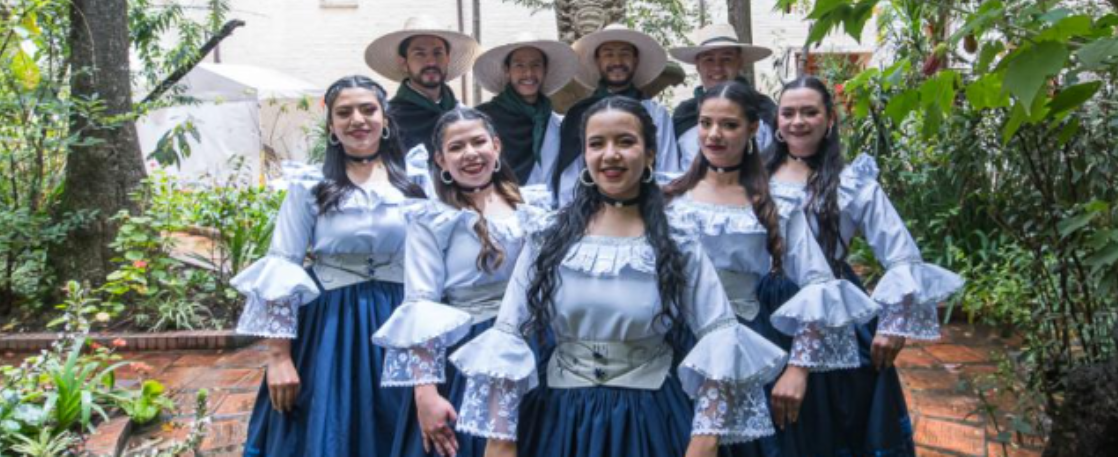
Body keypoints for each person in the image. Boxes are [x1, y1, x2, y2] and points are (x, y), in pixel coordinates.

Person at [448, 96, 786, 457]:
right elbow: (509, 333)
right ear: (585, 155)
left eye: (625, 142)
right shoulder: (548, 236)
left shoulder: (677, 238)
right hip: (560, 420)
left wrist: (703, 441)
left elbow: (719, 333)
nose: (610, 155)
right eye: (597, 144)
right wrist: (501, 442)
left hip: (650, 419)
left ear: (651, 154)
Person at [663, 81, 881, 456]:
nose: (714, 134)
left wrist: (798, 368)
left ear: (753, 130)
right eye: (705, 122)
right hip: (671, 344)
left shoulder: (773, 203)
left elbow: (818, 282)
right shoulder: (666, 197)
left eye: (729, 125)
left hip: (742, 338)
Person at [765, 76, 964, 456]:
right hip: (767, 309)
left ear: (830, 119)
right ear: (777, 121)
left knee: (836, 423)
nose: (797, 122)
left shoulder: (851, 182)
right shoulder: (756, 176)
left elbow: (901, 253)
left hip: (836, 307)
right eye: (788, 113)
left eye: (810, 112)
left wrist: (893, 324)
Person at [234, 75, 427, 457]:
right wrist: (279, 357)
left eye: (368, 109)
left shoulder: (415, 180)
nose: (358, 119)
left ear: (385, 119)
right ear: (332, 126)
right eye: (345, 112)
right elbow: (283, 264)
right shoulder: (311, 184)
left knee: (401, 424)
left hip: (400, 319)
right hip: (332, 325)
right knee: (332, 424)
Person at [372, 108, 550, 457]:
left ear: (496, 146)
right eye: (456, 147)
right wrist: (425, 393)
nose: (470, 153)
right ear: (440, 159)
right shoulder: (432, 217)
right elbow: (422, 304)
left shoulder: (531, 205)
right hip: (468, 351)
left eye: (478, 141)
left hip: (534, 345)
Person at [552, 24, 680, 206]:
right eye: (609, 54)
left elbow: (668, 171)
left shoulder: (656, 113)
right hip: (591, 215)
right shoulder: (579, 114)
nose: (617, 61)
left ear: (636, 60)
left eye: (625, 53)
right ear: (597, 60)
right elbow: (570, 179)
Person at [473, 33, 580, 187]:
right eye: (519, 65)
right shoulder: (482, 119)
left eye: (536, 65)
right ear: (507, 71)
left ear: (545, 70)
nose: (528, 73)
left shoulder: (555, 123)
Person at [365, 15, 479, 156]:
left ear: (447, 59)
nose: (431, 62)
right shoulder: (389, 120)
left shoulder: (465, 115)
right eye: (420, 54)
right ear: (404, 63)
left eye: (438, 53)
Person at [669, 24, 776, 170]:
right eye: (709, 59)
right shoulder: (683, 115)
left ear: (739, 62)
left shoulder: (762, 110)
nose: (717, 67)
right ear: (697, 65)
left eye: (726, 59)